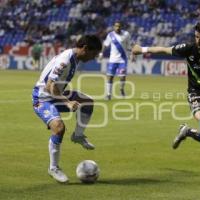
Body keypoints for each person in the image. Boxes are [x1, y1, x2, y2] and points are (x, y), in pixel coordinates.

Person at [132, 21, 200, 175]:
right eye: (196, 37)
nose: (198, 41)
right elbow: (164, 49)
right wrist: (142, 49)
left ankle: (187, 132)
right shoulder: (189, 49)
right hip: (195, 93)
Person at [32, 35, 102, 183]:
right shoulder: (65, 61)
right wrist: (68, 102)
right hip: (42, 98)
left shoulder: (74, 58)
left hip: (55, 95)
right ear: (85, 48)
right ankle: (54, 168)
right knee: (59, 127)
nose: (93, 58)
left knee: (88, 102)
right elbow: (49, 86)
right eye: (93, 54)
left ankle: (78, 135)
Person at [99, 21, 134, 100]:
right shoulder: (110, 35)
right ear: (114, 27)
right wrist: (101, 53)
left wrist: (132, 54)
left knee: (122, 77)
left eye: (119, 26)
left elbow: (130, 45)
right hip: (112, 60)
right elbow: (105, 44)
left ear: (121, 27)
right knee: (110, 77)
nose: (117, 28)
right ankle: (108, 94)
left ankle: (121, 89)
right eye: (116, 26)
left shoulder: (126, 34)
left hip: (122, 60)